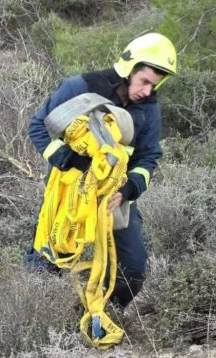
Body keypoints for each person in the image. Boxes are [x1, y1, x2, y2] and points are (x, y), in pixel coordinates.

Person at [26, 33, 177, 310]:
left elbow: (148, 156)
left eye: (154, 85)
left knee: (133, 268)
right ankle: (42, 320)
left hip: (114, 197)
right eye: (144, 82)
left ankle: (104, 313)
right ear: (129, 69)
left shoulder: (149, 109)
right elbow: (38, 127)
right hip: (69, 196)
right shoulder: (81, 87)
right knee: (48, 261)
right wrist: (67, 159)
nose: (147, 91)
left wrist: (129, 189)